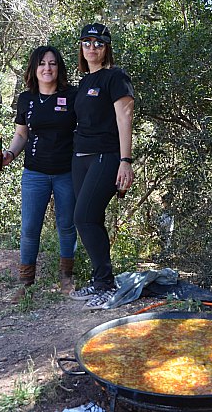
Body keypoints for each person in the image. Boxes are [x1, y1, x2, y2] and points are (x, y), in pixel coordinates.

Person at [0, 46, 78, 302]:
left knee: (67, 226)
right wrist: (9, 154)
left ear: (59, 68)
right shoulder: (26, 99)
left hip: (67, 172)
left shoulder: (72, 96)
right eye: (42, 63)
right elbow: (21, 134)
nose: (47, 68)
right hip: (34, 173)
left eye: (52, 63)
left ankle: (66, 278)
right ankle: (24, 283)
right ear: (34, 68)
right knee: (30, 228)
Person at [68, 23, 135, 310]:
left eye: (98, 42)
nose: (92, 47)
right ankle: (100, 280)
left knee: (83, 217)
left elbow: (125, 119)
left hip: (106, 156)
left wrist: (125, 161)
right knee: (90, 220)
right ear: (81, 48)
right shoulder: (84, 82)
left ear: (106, 47)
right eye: (87, 42)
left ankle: (106, 285)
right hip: (80, 158)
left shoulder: (115, 77)